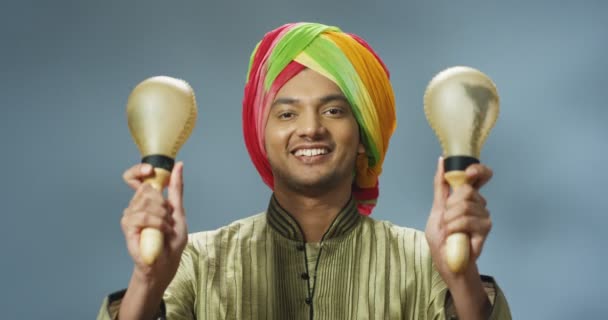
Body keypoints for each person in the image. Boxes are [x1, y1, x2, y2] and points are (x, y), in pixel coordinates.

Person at [97, 22, 511, 319]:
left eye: (333, 110)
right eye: (287, 113)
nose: (310, 128)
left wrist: (461, 279)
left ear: (364, 132)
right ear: (261, 134)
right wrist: (148, 279)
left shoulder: (427, 260)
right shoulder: (193, 261)